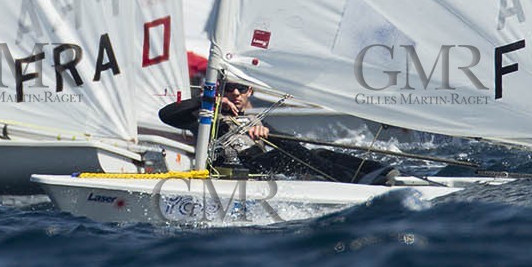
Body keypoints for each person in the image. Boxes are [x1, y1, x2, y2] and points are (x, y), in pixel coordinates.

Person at [158, 80, 396, 184]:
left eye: (241, 89)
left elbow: (293, 144)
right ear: (222, 90)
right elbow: (167, 114)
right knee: (285, 156)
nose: (236, 94)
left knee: (318, 152)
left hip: (260, 165)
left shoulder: (252, 119)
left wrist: (266, 134)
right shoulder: (205, 117)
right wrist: (211, 101)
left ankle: (375, 170)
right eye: (230, 89)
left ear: (249, 91)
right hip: (233, 169)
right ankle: (352, 181)